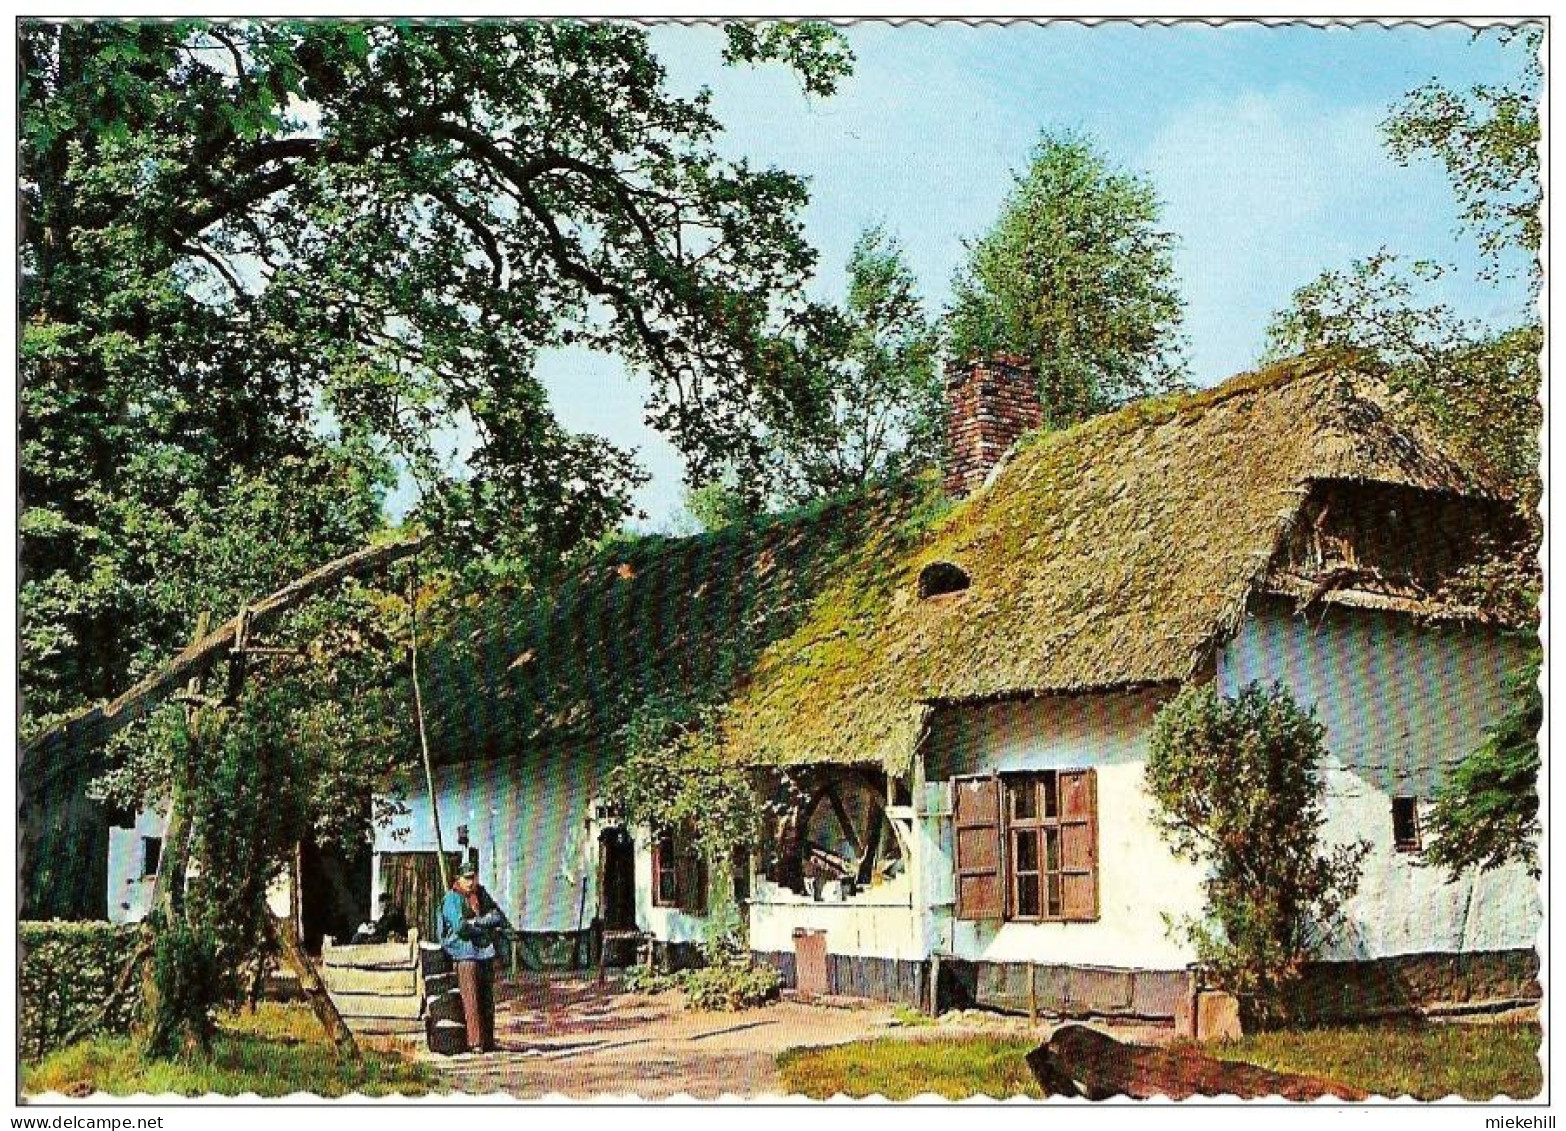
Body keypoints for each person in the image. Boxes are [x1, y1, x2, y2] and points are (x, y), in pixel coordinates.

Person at [440, 863, 512, 1054]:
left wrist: (478, 923)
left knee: (487, 999)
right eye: (467, 878)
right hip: (463, 951)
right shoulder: (452, 898)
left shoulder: (481, 894)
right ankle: (475, 1042)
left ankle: (489, 1040)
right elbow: (460, 927)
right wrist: (483, 926)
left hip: (484, 951)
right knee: (471, 1000)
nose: (471, 882)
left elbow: (497, 915)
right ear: (458, 879)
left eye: (473, 877)